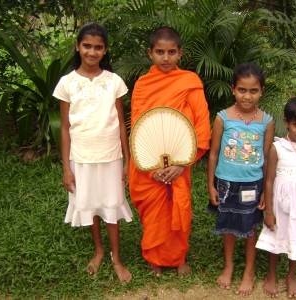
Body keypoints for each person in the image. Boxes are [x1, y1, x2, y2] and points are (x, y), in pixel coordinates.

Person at [53, 22, 133, 283]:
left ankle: (116, 258)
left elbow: (122, 122)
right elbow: (65, 128)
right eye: (87, 46)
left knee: (111, 204)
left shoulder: (114, 82)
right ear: (78, 47)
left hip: (111, 155)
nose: (92, 52)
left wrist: (127, 160)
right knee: (90, 205)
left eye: (98, 47)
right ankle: (99, 251)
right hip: (82, 157)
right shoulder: (67, 83)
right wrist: (66, 166)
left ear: (105, 50)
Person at [128, 26, 211, 276]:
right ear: (150, 53)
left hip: (180, 160)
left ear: (180, 54)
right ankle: (156, 257)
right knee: (155, 213)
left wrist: (183, 163)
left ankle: (178, 258)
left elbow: (201, 123)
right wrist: (152, 166)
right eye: (160, 52)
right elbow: (139, 126)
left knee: (179, 206)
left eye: (171, 52)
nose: (166, 58)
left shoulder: (189, 81)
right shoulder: (143, 85)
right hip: (149, 165)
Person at [207, 63, 275, 296]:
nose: (247, 96)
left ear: (261, 91)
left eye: (253, 90)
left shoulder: (266, 121)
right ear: (233, 89)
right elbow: (214, 153)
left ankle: (249, 270)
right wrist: (210, 185)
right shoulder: (222, 118)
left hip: (252, 184)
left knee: (249, 228)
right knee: (227, 226)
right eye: (242, 90)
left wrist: (266, 190)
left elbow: (266, 157)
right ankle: (229, 266)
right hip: (225, 183)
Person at [256, 94, 296, 298]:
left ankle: (292, 275)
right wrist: (268, 210)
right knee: (277, 235)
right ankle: (271, 274)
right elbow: (269, 180)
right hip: (280, 202)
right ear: (286, 122)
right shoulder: (277, 148)